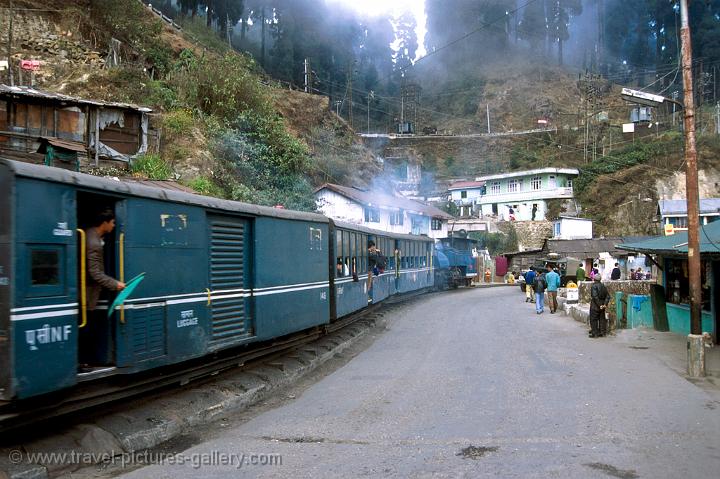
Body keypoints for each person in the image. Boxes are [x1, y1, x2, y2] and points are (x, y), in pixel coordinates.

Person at [81, 208, 125, 367]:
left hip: (89, 293)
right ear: (104, 223)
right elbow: (95, 273)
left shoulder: (91, 234)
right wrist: (116, 284)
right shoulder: (93, 243)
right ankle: (84, 361)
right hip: (87, 294)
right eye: (112, 223)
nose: (114, 226)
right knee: (86, 327)